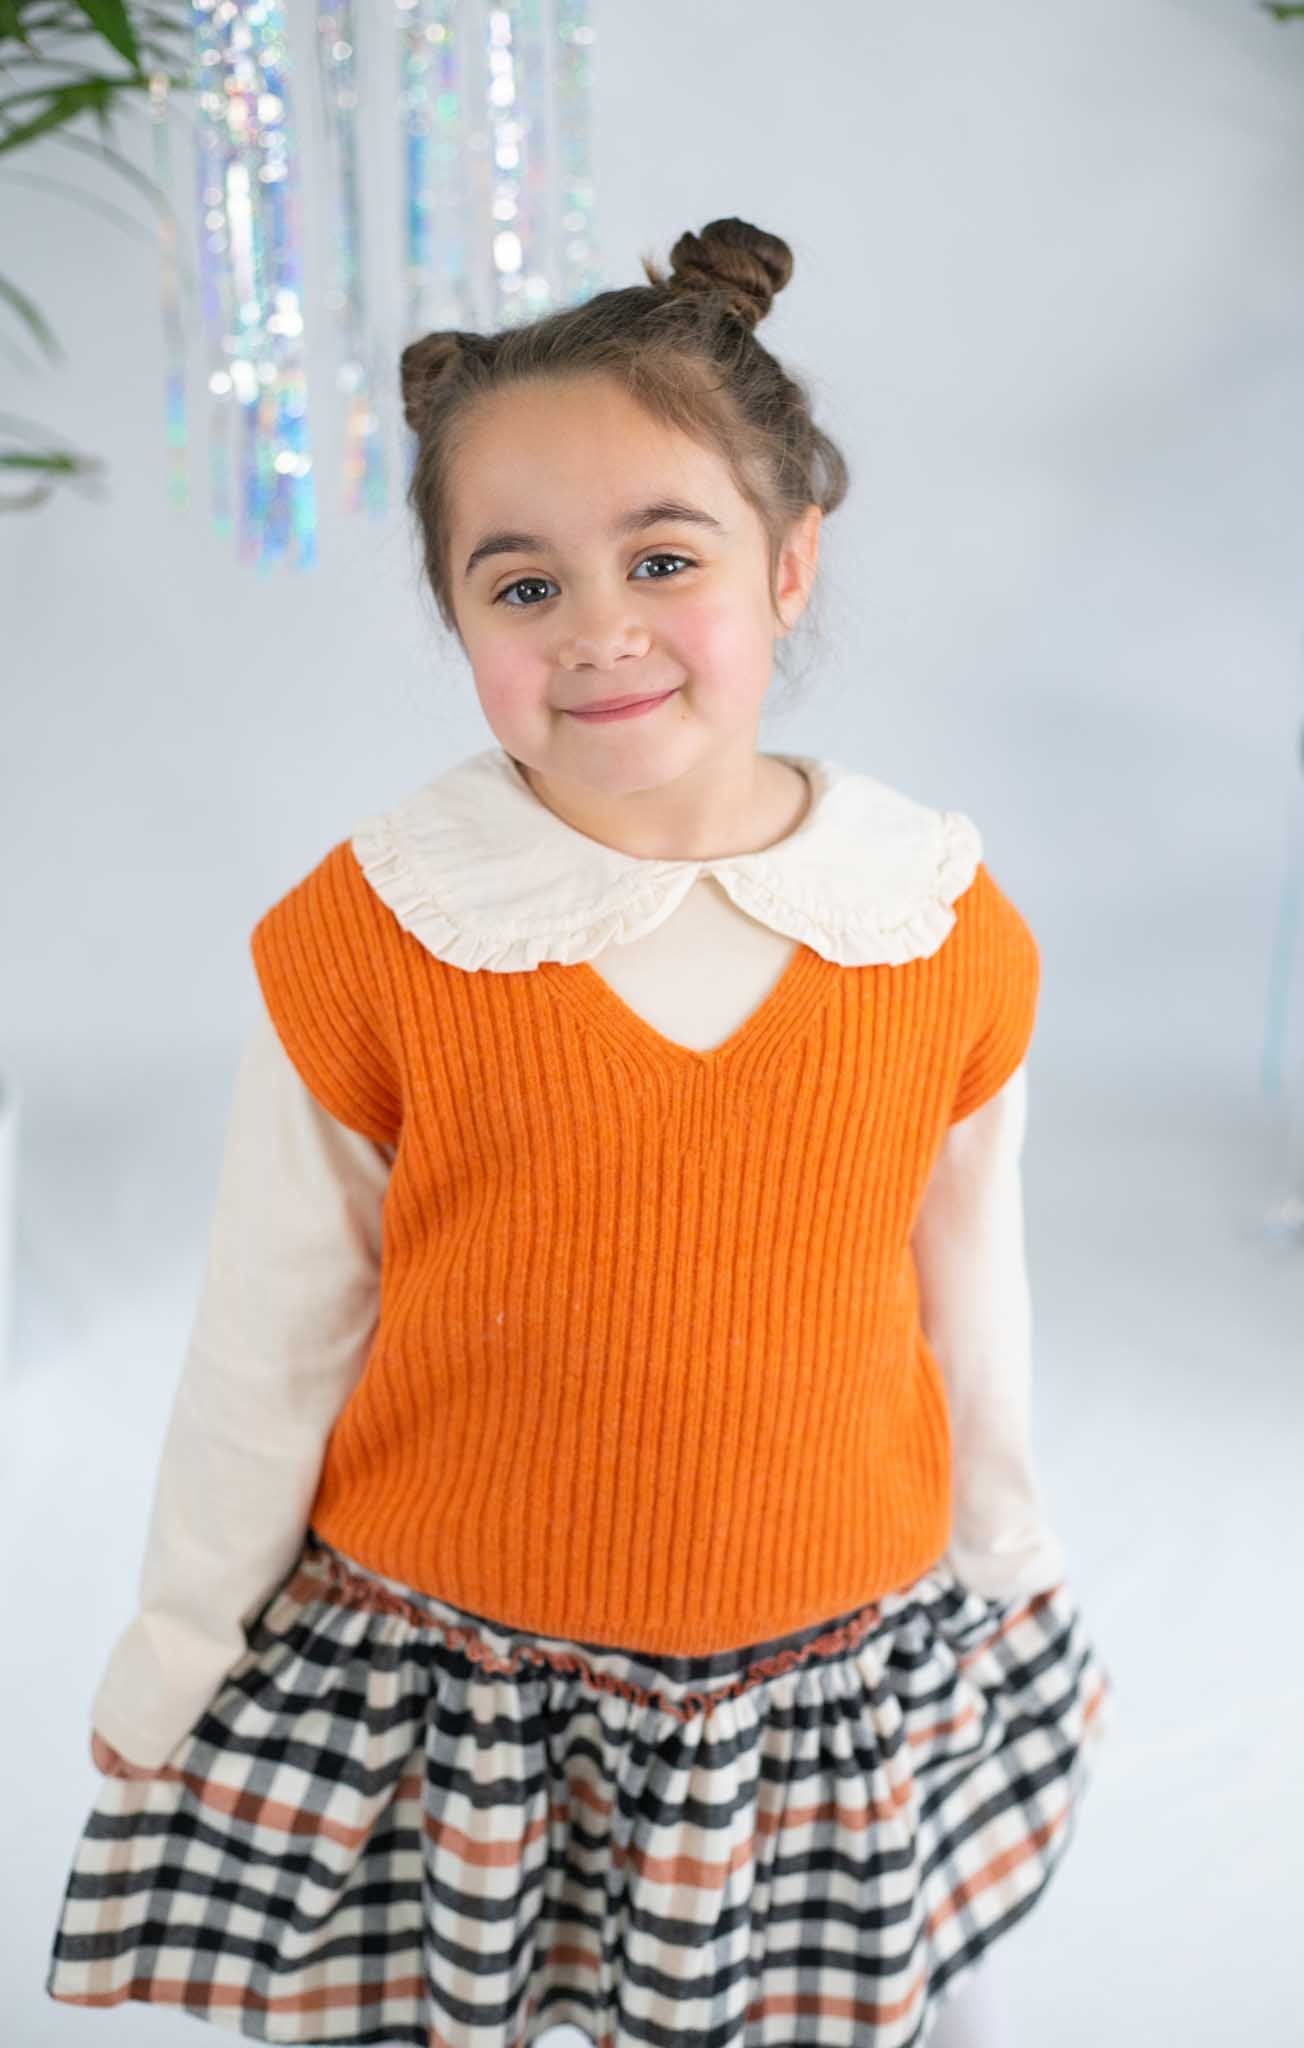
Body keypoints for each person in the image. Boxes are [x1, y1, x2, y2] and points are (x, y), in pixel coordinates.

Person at [44, 216, 1113, 2047]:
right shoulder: (384, 930)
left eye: (663, 558)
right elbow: (268, 1333)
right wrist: (182, 1638)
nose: (599, 629)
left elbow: (971, 1284)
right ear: (456, 616)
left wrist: (1007, 1555)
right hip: (460, 1675)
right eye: (521, 584)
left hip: (821, 1657)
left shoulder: (934, 922)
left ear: (789, 563)